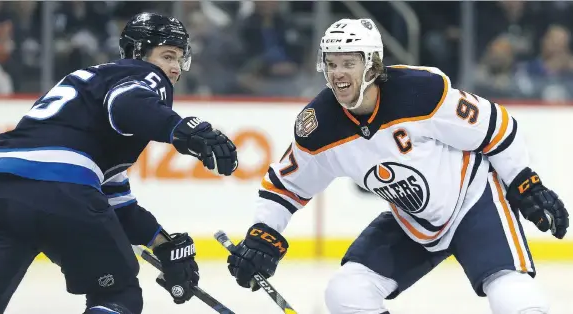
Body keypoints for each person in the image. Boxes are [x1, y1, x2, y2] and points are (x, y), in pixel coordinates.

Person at [225, 18, 569, 314]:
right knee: (346, 293)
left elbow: (497, 127)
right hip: (412, 221)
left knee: (511, 295)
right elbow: (285, 186)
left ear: (372, 65)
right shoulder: (320, 126)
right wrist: (263, 234)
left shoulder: (421, 91)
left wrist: (527, 184)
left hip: (473, 201)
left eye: (349, 63)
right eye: (331, 63)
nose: (338, 74)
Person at [0, 12, 238, 314]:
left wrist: (162, 243)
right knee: (118, 296)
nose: (174, 68)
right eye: (167, 55)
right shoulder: (141, 75)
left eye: (180, 59)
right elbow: (127, 103)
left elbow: (117, 202)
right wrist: (183, 129)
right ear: (138, 53)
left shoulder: (88, 87)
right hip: (59, 187)